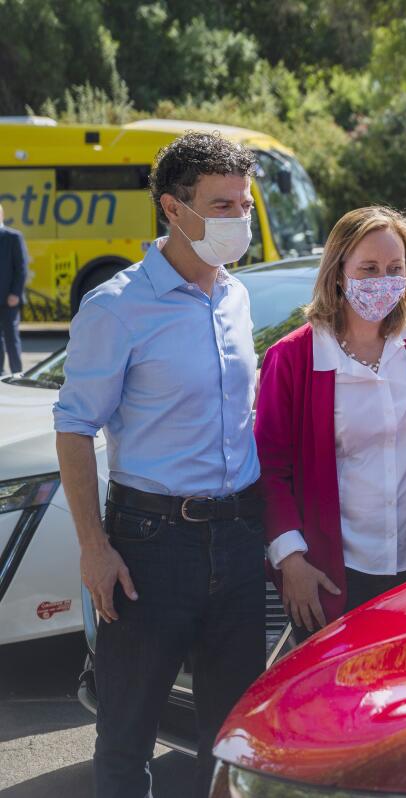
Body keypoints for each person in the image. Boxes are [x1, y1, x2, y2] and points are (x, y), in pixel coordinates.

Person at [52, 132, 264, 798]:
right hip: (151, 547)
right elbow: (74, 425)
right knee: (126, 736)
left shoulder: (236, 296)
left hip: (235, 540)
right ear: (173, 208)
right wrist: (94, 547)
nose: (239, 219)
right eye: (221, 204)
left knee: (232, 739)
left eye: (244, 203)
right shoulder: (117, 307)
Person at [255, 206, 406, 638]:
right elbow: (270, 471)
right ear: (338, 272)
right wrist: (291, 561)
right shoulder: (292, 359)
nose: (383, 280)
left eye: (394, 268)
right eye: (368, 268)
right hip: (336, 576)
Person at [0, 203, 29, 374]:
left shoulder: (13, 237)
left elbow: (21, 268)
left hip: (10, 299)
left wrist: (15, 293)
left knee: (11, 338)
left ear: (2, 216)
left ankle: (17, 373)